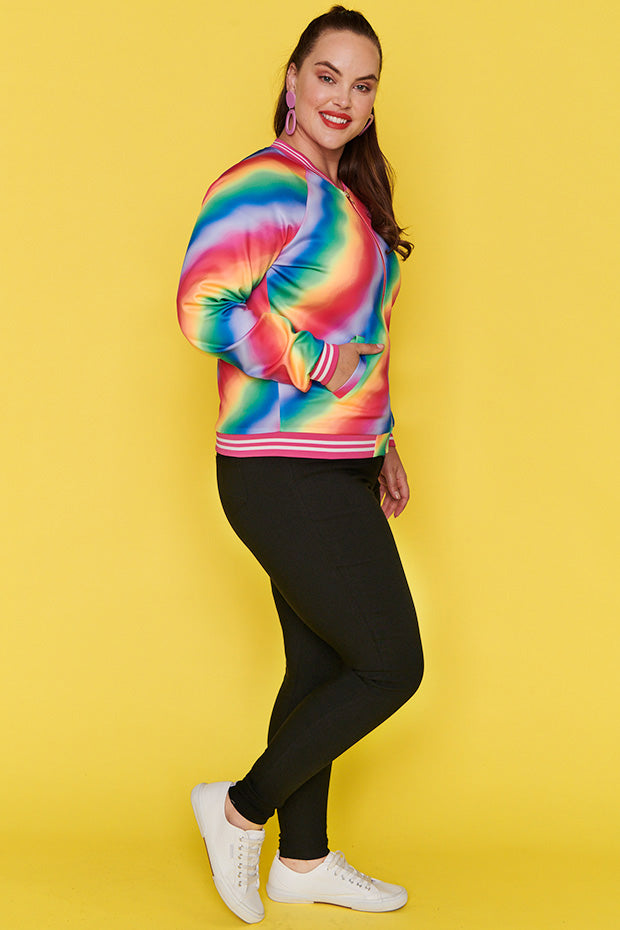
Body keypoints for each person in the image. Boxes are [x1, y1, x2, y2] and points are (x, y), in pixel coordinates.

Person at [176, 6, 424, 924]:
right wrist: (315, 364)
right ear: (292, 78)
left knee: (322, 667)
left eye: (363, 85)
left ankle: (304, 860)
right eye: (327, 75)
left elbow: (365, 339)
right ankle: (240, 809)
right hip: (279, 468)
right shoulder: (264, 184)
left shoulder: (346, 198)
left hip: (336, 462)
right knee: (390, 665)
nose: (344, 99)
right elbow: (203, 306)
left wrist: (382, 439)